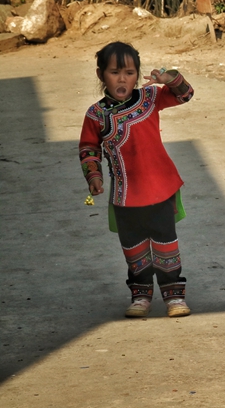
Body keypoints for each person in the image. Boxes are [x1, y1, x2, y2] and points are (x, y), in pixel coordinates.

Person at [79, 42, 194, 318]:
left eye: (130, 72)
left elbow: (185, 94)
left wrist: (171, 78)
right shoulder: (96, 115)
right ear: (100, 75)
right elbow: (88, 148)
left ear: (137, 75)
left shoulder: (150, 98)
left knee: (166, 245)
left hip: (159, 189)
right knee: (134, 249)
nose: (122, 79)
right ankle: (141, 295)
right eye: (115, 72)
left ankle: (174, 295)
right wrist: (93, 176)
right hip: (124, 195)